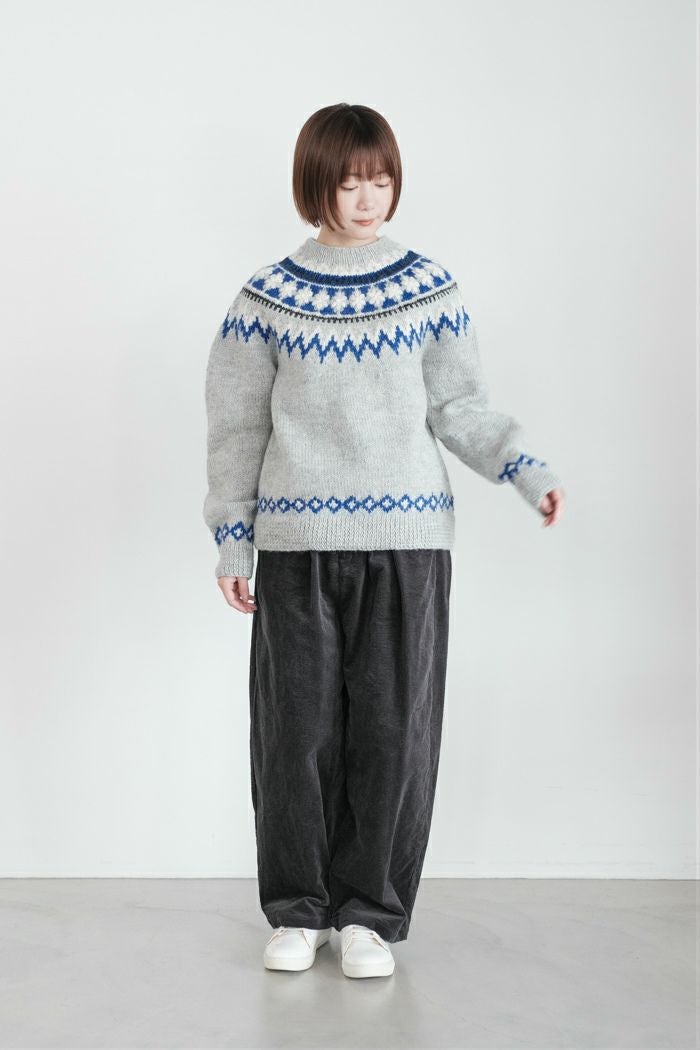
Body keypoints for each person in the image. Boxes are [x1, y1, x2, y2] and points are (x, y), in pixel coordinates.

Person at [203, 103, 566, 980]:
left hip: (408, 542)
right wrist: (234, 540)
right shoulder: (266, 298)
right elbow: (237, 429)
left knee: (394, 730)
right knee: (295, 733)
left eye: (381, 180)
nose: (368, 198)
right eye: (350, 182)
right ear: (315, 185)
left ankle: (370, 915)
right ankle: (299, 911)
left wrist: (524, 467)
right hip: (296, 545)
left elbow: (460, 406)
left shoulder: (428, 288)